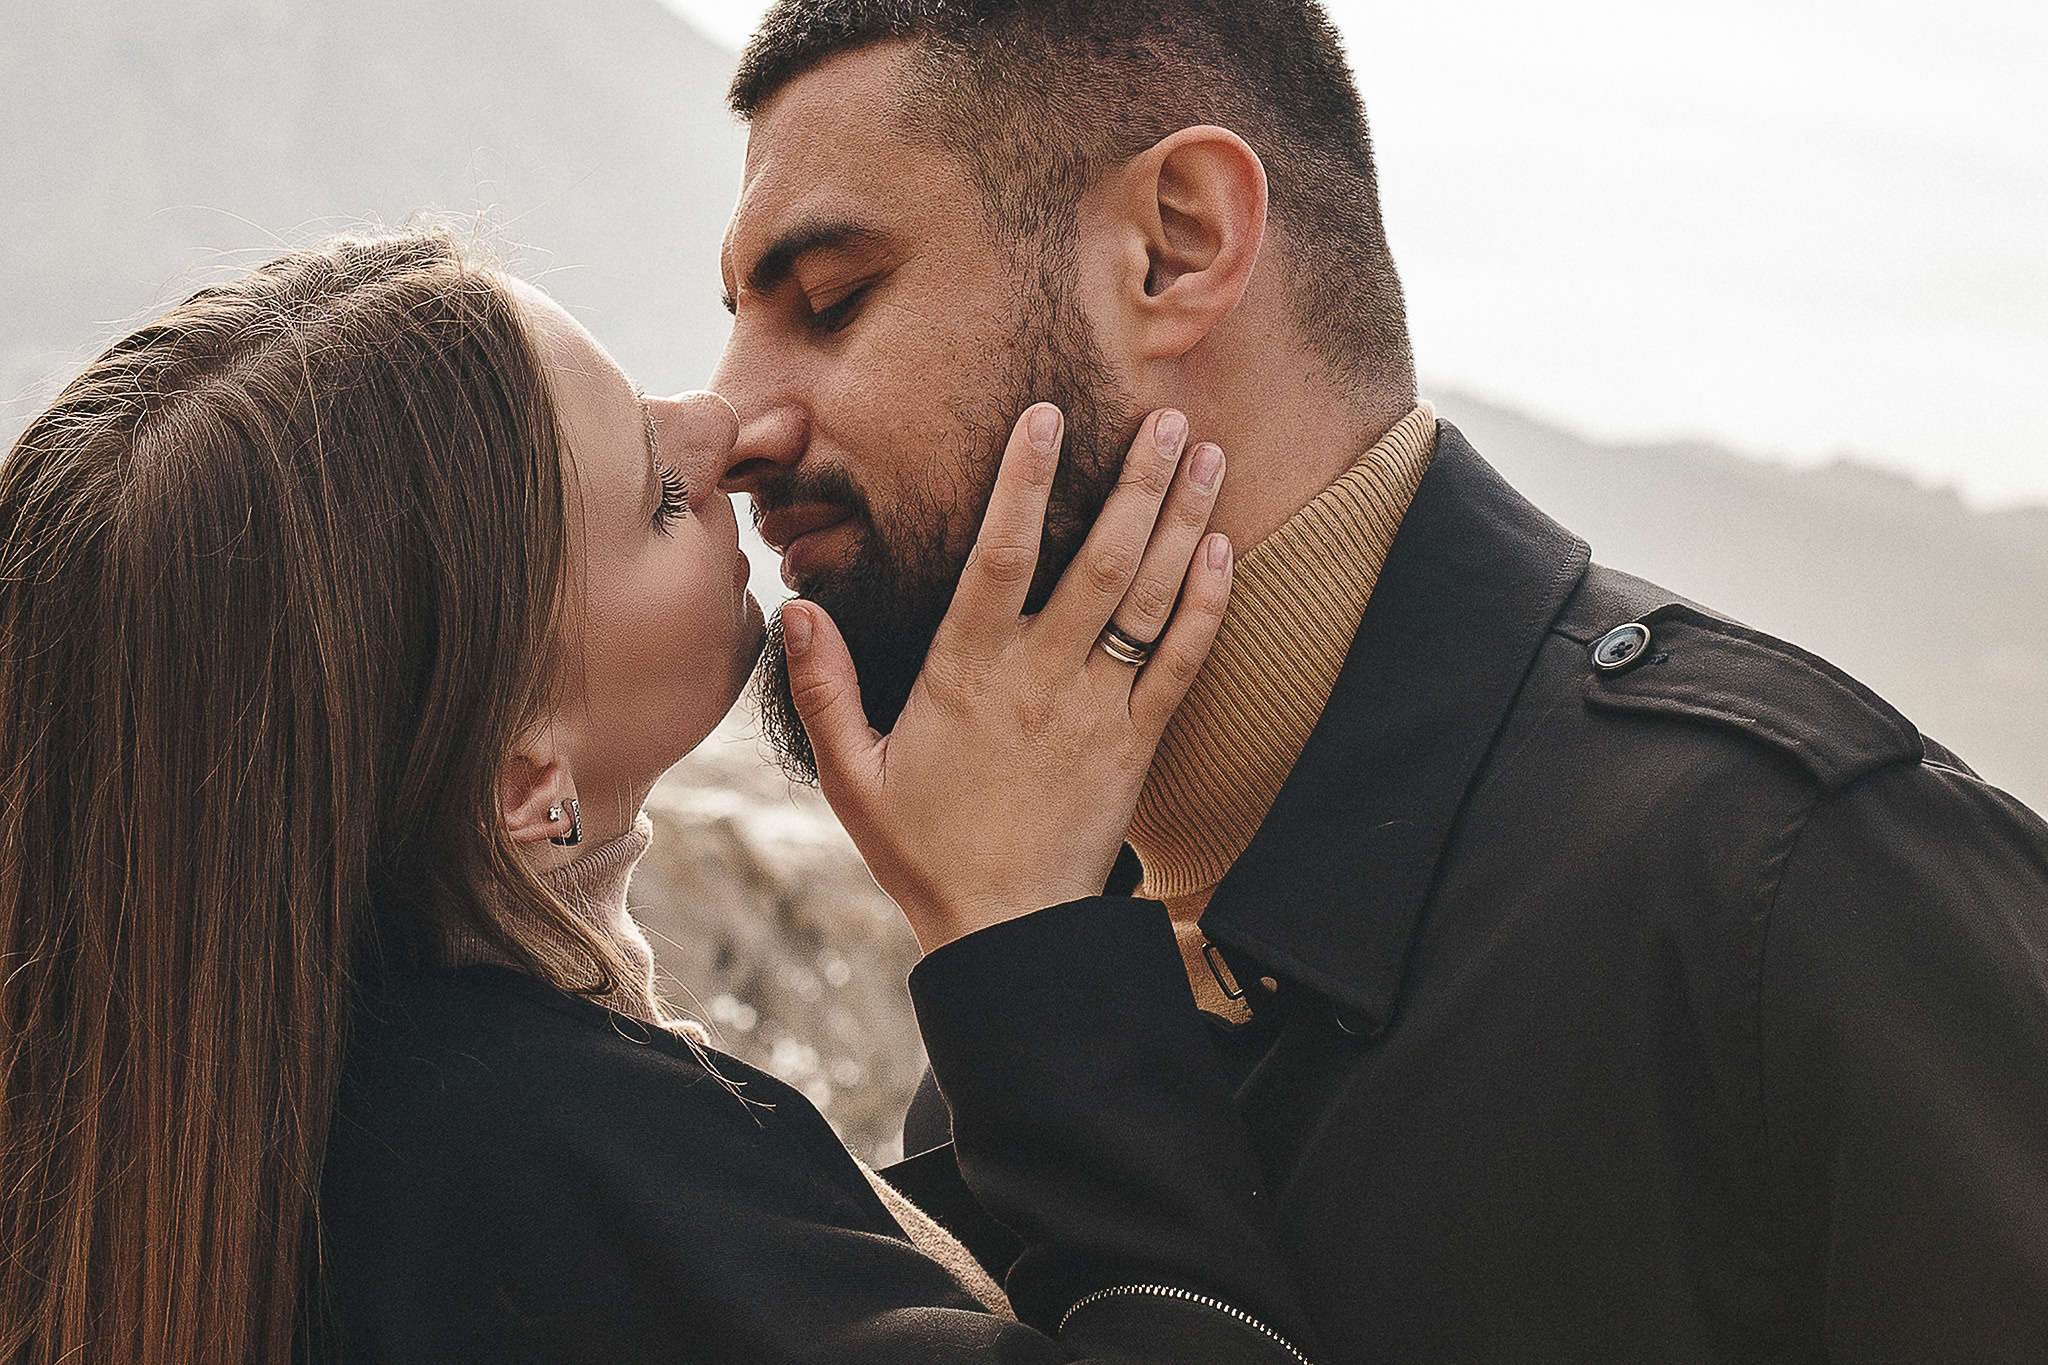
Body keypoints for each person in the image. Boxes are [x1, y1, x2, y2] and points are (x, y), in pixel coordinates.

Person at [708, 2, 2048, 1359]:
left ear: (1178, 245)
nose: (730, 422)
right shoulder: (1031, 987)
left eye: (831, 301)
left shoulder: (1790, 886)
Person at [0, 229, 1323, 1364]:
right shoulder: (542, 1165)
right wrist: (1021, 922)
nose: (727, 428)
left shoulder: (205, 1127)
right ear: (529, 787)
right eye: (660, 492)